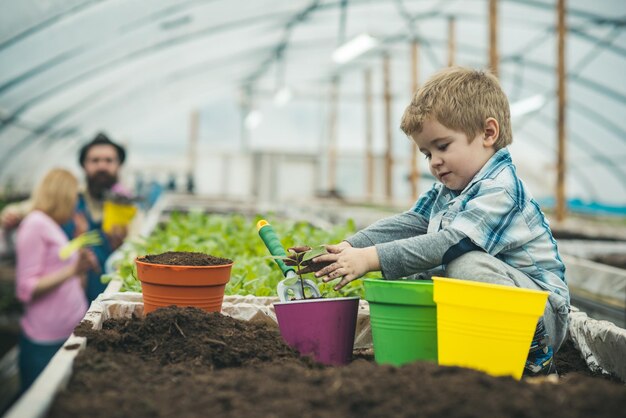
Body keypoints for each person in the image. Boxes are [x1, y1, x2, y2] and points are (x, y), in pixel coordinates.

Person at [301, 67, 570, 377]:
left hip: (539, 315)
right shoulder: (449, 189)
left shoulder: (501, 189)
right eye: (426, 153)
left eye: (442, 147)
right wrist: (350, 247)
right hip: (497, 312)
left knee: (464, 264)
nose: (434, 162)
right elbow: (412, 223)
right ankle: (462, 355)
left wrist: (369, 259)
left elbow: (450, 242)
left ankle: (535, 362)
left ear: (488, 133)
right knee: (422, 274)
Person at [1, 132, 129, 302]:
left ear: (118, 165)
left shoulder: (128, 207)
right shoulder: (71, 197)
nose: (102, 166)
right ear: (84, 165)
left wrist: (121, 245)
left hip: (109, 296)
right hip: (63, 295)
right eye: (95, 160)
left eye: (108, 160)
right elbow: (33, 206)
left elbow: (135, 251)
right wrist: (11, 213)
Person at [15, 169, 97, 392]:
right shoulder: (34, 225)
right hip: (46, 340)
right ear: (61, 195)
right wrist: (73, 270)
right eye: (73, 198)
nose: (75, 204)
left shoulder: (51, 225)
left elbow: (63, 272)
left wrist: (79, 262)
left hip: (65, 332)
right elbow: (26, 288)